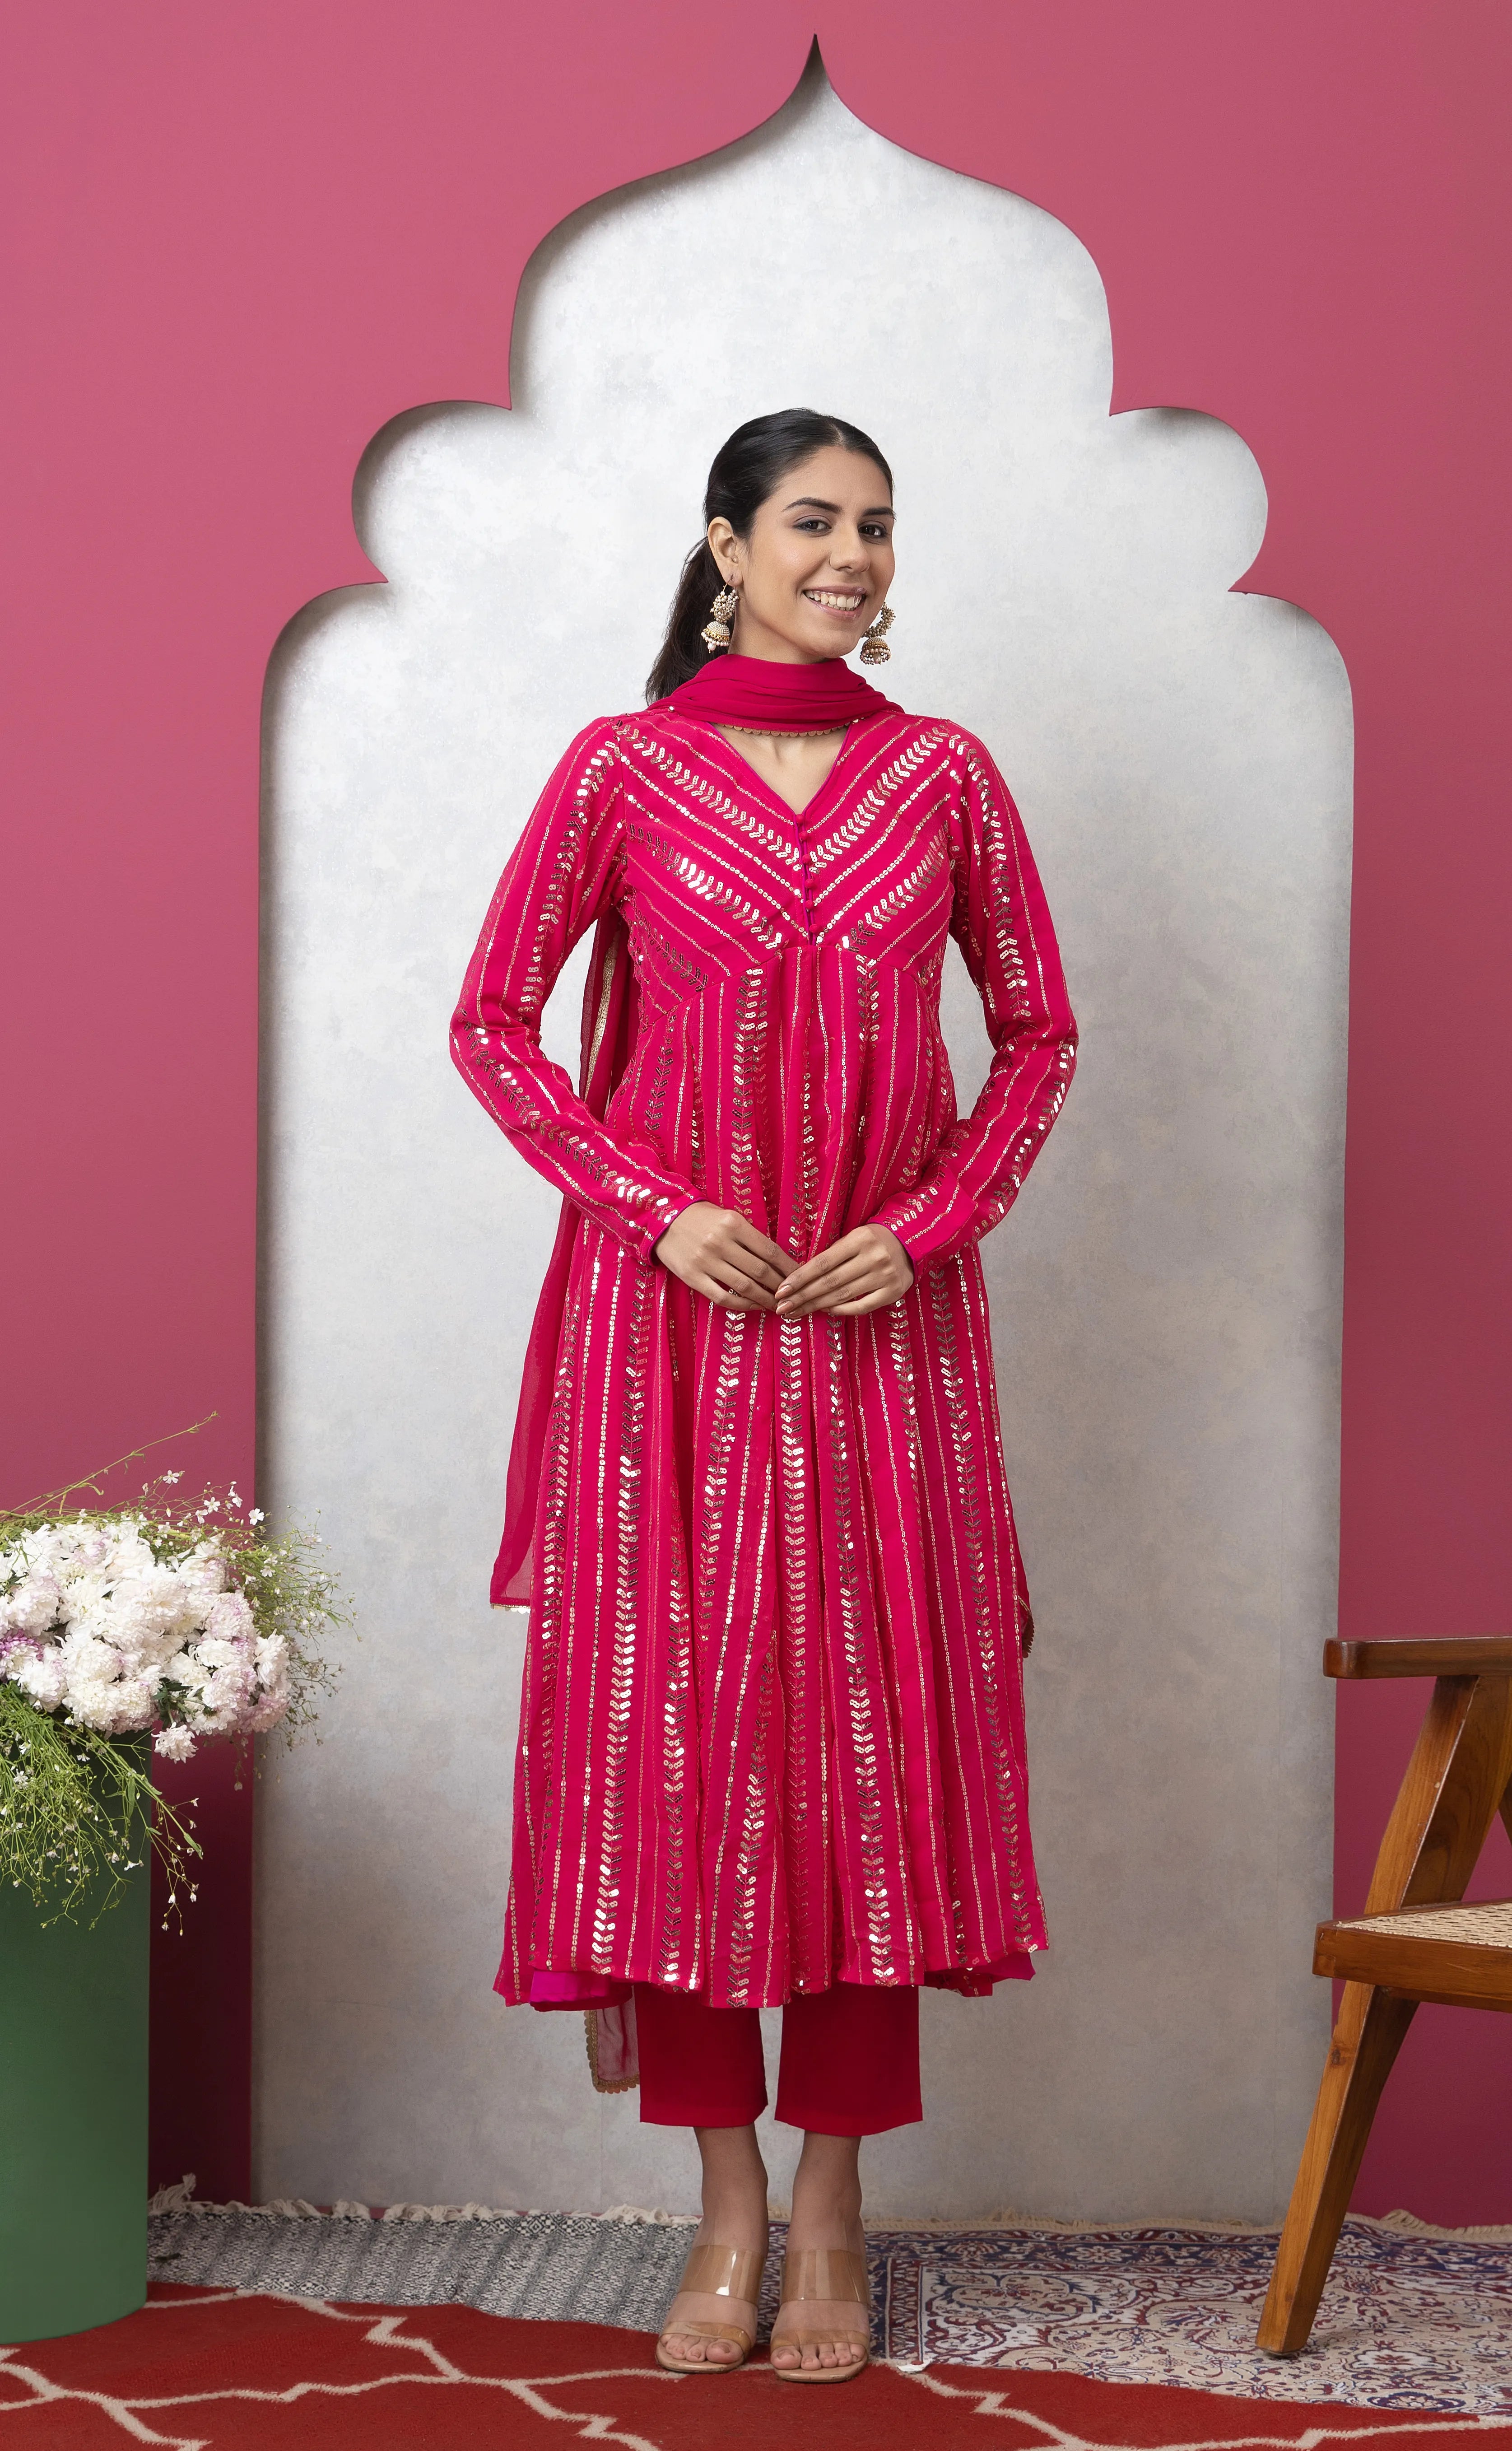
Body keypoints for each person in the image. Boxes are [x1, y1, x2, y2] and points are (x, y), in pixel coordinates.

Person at [450, 408, 1077, 2383]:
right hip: (673, 1346)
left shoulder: (944, 779)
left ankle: (829, 2205)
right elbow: (491, 1024)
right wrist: (654, 1209)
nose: (854, 557)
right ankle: (718, 2205)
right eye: (814, 521)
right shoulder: (620, 773)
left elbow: (1039, 1031)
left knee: (867, 1757)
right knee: (685, 1756)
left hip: (881, 1336)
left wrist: (939, 1217)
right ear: (722, 543)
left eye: (878, 528)